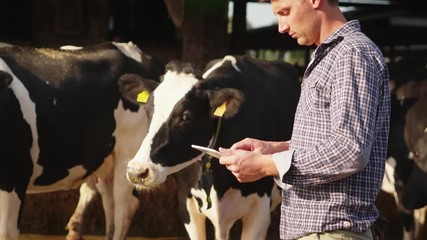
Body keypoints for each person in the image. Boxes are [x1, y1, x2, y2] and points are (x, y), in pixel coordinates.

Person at [218, 0, 390, 239]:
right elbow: (332, 140)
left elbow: (350, 150)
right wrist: (273, 149)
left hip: (332, 231)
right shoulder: (331, 56)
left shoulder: (352, 53)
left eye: (285, 12)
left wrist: (269, 165)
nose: (281, 26)